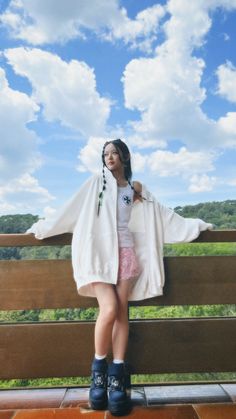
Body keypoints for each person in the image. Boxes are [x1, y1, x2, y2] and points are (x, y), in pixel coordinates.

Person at [26, 139, 213, 416]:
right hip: (99, 255)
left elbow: (161, 215)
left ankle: (117, 376)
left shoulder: (134, 188)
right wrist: (44, 228)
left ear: (124, 156)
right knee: (110, 309)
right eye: (105, 154)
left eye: (114, 152)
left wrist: (195, 225)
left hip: (125, 253)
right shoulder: (95, 184)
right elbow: (72, 209)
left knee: (122, 312)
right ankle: (98, 371)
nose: (109, 157)